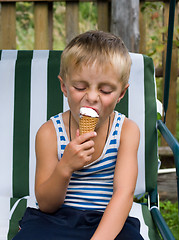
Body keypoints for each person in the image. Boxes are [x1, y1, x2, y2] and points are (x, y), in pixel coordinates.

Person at [13, 30, 143, 240]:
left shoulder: (126, 130)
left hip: (107, 219)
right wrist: (66, 166)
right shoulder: (49, 133)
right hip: (55, 219)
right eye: (80, 87)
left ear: (121, 93)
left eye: (106, 90)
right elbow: (46, 205)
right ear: (64, 86)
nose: (92, 97)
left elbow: (123, 194)